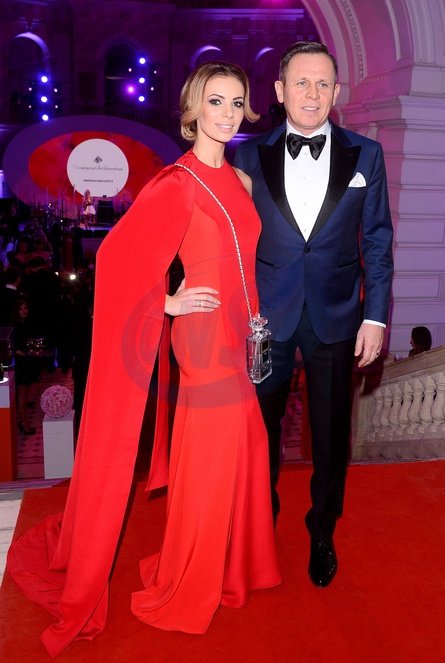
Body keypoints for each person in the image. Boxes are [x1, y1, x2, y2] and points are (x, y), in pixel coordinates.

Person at [7, 61, 281, 657]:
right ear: (193, 108)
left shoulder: (241, 178)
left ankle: (228, 566)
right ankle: (187, 581)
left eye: (237, 102)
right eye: (216, 101)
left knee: (245, 448)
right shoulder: (177, 183)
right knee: (215, 457)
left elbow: (243, 258)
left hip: (241, 332)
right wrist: (167, 301)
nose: (228, 113)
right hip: (203, 337)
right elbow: (115, 260)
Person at [235, 41, 394, 588]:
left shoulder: (366, 155)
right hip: (266, 320)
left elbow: (377, 241)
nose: (312, 93)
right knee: (258, 433)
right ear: (280, 91)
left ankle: (322, 531)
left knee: (331, 438)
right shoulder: (246, 157)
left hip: (338, 317)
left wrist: (375, 317)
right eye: (301, 82)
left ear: (337, 91)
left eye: (323, 83)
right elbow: (228, 240)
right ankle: (261, 520)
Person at [8, 299, 38, 434]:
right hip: (21, 363)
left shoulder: (25, 324)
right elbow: (14, 348)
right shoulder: (16, 326)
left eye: (25, 308)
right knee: (22, 395)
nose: (24, 311)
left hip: (26, 361)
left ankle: (24, 422)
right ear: (16, 311)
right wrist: (28, 355)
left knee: (26, 394)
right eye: (21, 309)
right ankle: (24, 423)